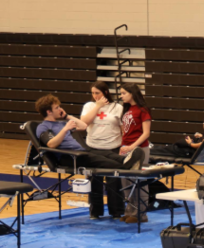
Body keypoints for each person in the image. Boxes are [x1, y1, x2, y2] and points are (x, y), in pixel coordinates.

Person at [34, 93, 142, 219]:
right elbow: (51, 144)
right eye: (57, 107)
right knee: (100, 160)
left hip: (81, 152)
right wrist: (65, 130)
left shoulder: (62, 123)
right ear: (49, 112)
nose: (60, 109)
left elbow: (83, 126)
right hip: (69, 157)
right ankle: (127, 166)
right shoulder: (43, 127)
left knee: (105, 153)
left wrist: (68, 116)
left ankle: (127, 160)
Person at [78, 81, 127, 219]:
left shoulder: (117, 107)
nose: (94, 96)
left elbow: (123, 129)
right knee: (94, 181)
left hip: (113, 147)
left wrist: (124, 146)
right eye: (93, 93)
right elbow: (84, 123)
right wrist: (97, 107)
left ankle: (116, 211)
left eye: (97, 93)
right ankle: (95, 212)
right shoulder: (89, 106)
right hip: (93, 147)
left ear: (105, 93)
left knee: (114, 181)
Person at [119, 82, 152, 224]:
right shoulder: (126, 109)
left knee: (139, 182)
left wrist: (132, 146)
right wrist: (123, 145)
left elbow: (146, 133)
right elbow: (124, 131)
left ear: (132, 93)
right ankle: (130, 210)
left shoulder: (143, 110)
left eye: (123, 93)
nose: (121, 96)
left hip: (139, 149)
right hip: (125, 148)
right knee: (126, 181)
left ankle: (141, 214)